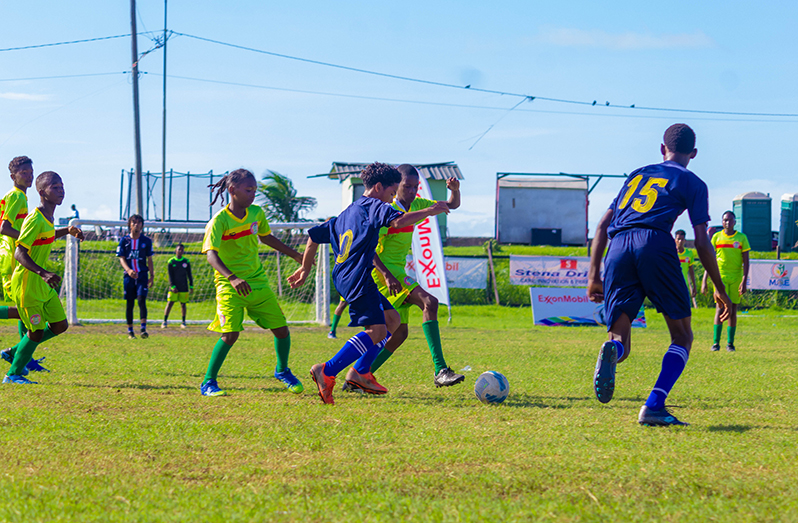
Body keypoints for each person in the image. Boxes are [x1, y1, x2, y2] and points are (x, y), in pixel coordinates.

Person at [587, 124, 731, 426]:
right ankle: (653, 405)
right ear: (693, 153)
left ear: (661, 148)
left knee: (620, 339)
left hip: (618, 246)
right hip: (654, 242)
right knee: (682, 335)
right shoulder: (692, 182)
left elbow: (601, 225)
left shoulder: (636, 175)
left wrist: (593, 277)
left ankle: (612, 349)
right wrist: (719, 288)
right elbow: (702, 241)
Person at [289, 162, 449, 405]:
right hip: (356, 276)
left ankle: (361, 372)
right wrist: (428, 212)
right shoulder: (375, 206)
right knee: (376, 331)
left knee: (392, 321)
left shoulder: (349, 211)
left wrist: (305, 267)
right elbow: (398, 222)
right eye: (391, 192)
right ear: (377, 187)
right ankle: (327, 370)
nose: (392, 197)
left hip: (349, 274)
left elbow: (312, 236)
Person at [200, 168, 305, 397]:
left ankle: (282, 371)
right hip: (229, 285)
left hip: (257, 281)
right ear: (232, 190)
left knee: (282, 329)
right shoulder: (218, 221)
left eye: (255, 190)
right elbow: (211, 255)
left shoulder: (256, 213)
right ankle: (208, 382)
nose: (252, 194)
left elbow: (266, 237)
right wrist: (232, 277)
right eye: (248, 190)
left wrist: (295, 255)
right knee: (230, 335)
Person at [362, 164, 464, 388]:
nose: (411, 191)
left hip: (398, 271)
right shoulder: (387, 210)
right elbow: (369, 252)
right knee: (430, 302)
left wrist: (454, 191)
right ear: (395, 186)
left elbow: (450, 205)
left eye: (415, 187)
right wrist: (388, 276)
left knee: (399, 334)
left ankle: (360, 375)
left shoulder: (416, 204)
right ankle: (440, 370)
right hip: (383, 274)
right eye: (406, 186)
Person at [4, 171, 84, 384]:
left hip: (41, 283)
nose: (61, 191)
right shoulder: (35, 217)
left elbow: (46, 235)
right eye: (55, 187)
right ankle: (13, 374)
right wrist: (43, 272)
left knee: (60, 325)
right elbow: (19, 252)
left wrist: (66, 230)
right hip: (28, 283)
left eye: (62, 186)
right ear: (42, 193)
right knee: (36, 331)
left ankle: (16, 351)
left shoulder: (48, 217)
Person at [0, 156, 48, 373]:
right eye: (24, 173)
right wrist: (27, 239)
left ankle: (23, 354)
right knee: (24, 308)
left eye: (31, 172)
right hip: (11, 256)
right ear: (13, 176)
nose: (29, 176)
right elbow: (4, 227)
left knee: (24, 308)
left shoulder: (18, 196)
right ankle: (22, 355)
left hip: (10, 254)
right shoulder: (17, 196)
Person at [701, 210, 750, 352]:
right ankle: (715, 343)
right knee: (720, 308)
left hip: (735, 277)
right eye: (725, 220)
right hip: (720, 278)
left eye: (730, 220)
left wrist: (744, 280)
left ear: (735, 222)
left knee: (733, 310)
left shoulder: (741, 238)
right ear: (722, 222)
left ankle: (730, 344)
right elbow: (710, 261)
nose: (727, 222)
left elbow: (746, 262)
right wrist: (705, 280)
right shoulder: (716, 237)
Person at [116, 214, 154, 339]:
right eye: (134, 222)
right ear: (130, 225)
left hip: (142, 275)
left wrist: (152, 275)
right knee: (130, 303)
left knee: (142, 300)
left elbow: (150, 259)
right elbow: (121, 258)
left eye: (139, 223)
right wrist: (128, 270)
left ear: (142, 225)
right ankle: (130, 331)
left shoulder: (146, 241)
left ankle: (143, 329)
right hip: (128, 276)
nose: (136, 225)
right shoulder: (124, 241)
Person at [162, 243, 193, 329]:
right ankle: (164, 321)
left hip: (184, 286)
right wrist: (172, 286)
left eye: (182, 250)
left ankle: (183, 322)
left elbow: (189, 275)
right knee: (170, 303)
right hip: (174, 287)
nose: (180, 251)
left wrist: (191, 286)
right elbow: (170, 275)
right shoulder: (171, 261)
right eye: (179, 249)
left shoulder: (186, 261)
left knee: (183, 304)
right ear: (175, 250)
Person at [674, 229, 698, 303]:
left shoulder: (689, 253)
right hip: (672, 284)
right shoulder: (671, 253)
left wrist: (694, 286)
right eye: (678, 239)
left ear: (685, 240)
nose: (680, 241)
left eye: (682, 239)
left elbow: (691, 271)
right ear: (675, 240)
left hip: (684, 285)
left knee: (684, 306)